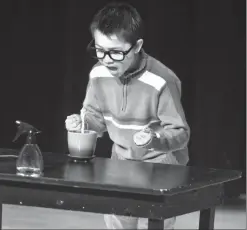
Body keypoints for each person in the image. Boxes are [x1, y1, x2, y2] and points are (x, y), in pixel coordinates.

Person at [65, 2, 190, 229]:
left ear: (137, 46)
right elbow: (96, 119)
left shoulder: (162, 80)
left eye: (116, 52)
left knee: (151, 224)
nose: (106, 59)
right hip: (121, 161)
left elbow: (180, 133)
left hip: (161, 165)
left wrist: (154, 139)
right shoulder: (98, 74)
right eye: (100, 50)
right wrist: (82, 123)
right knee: (117, 221)